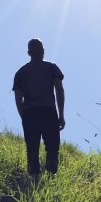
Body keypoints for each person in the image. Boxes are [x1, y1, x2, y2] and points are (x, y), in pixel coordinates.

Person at [13, 38, 65, 181]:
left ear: (29, 52)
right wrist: (61, 115)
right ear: (43, 51)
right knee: (53, 147)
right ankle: (50, 178)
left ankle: (36, 181)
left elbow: (18, 99)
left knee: (32, 148)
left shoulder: (21, 73)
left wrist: (24, 117)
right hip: (48, 112)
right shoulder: (51, 67)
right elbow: (59, 90)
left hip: (30, 113)